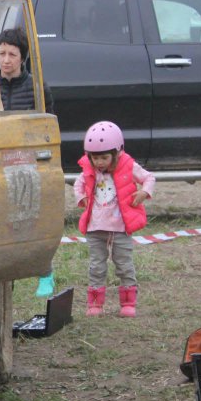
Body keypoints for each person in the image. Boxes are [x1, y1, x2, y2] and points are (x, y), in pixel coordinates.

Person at [0, 27, 57, 297]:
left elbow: (47, 125)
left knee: (33, 222)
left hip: (27, 163)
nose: (6, 60)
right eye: (2, 53)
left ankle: (45, 273)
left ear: (23, 58)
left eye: (12, 54)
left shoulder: (37, 87)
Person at [73, 121, 155, 317]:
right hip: (95, 228)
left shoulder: (129, 166)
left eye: (104, 157)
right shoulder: (89, 170)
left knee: (124, 265)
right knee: (96, 267)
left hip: (120, 228)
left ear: (117, 153)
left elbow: (149, 178)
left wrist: (144, 192)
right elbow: (78, 184)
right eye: (95, 158)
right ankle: (95, 304)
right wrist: (81, 197)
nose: (99, 162)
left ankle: (128, 303)